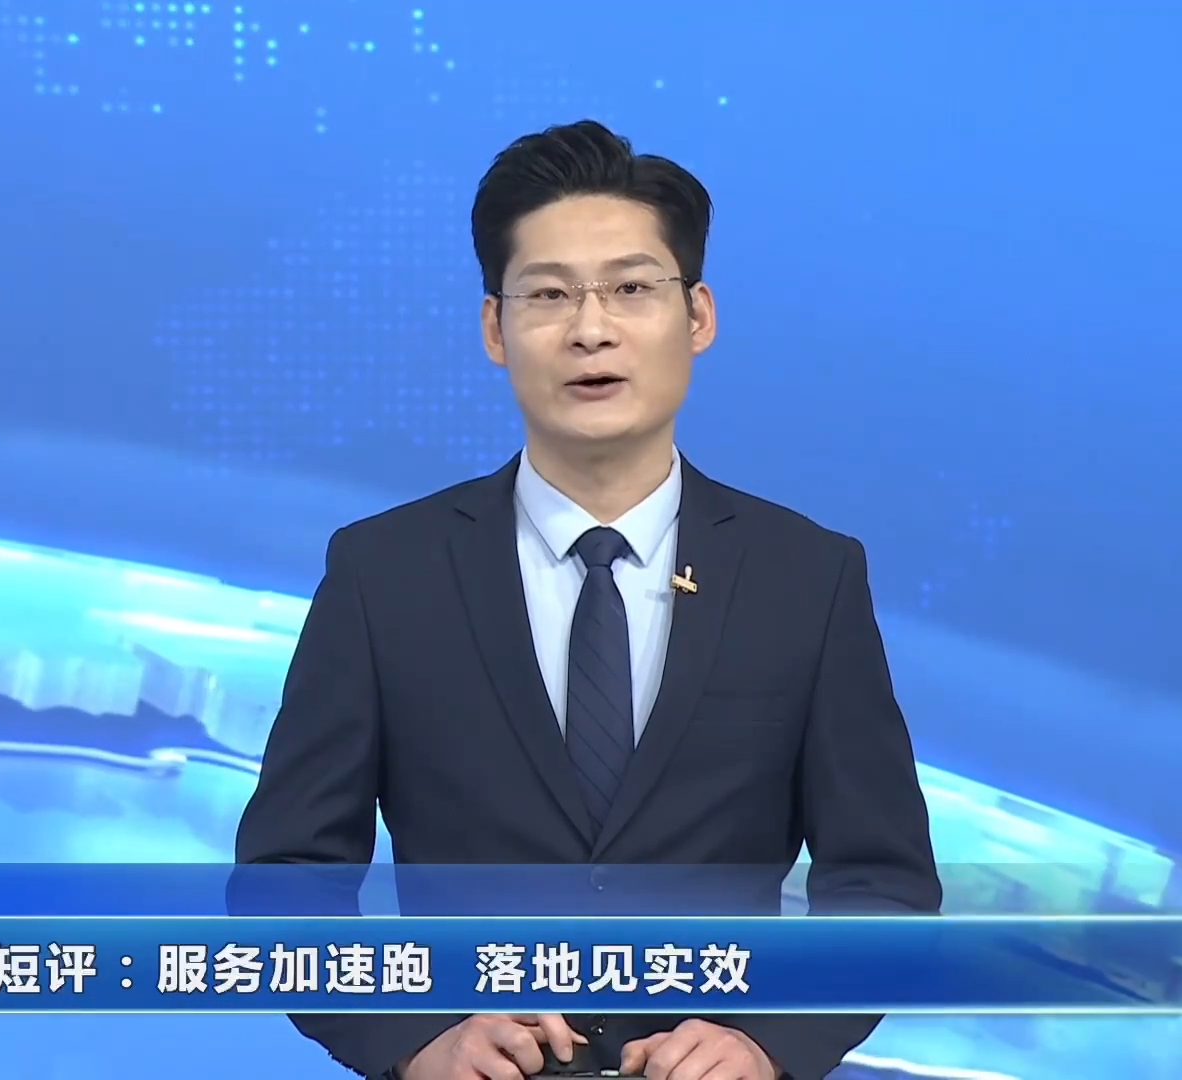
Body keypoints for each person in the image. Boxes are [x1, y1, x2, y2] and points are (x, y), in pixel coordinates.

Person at [236, 119, 941, 1080]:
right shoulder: (385, 573)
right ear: (495, 329)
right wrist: (416, 1037)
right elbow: (287, 880)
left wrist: (767, 1040)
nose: (590, 329)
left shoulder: (806, 577)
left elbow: (882, 881)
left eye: (631, 288)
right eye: (549, 294)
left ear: (698, 316)